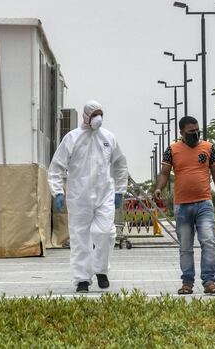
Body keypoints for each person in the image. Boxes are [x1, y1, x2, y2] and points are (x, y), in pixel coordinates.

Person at [48, 100, 128, 293]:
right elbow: (56, 166)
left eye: (100, 113)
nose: (97, 118)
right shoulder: (72, 138)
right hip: (79, 196)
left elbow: (120, 164)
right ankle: (82, 279)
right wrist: (57, 191)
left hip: (104, 195)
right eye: (94, 114)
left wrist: (120, 190)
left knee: (105, 233)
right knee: (80, 238)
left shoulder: (108, 138)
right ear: (86, 116)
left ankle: (101, 270)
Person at [154, 115, 215, 295]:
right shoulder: (172, 149)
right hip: (182, 207)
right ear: (181, 132)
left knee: (208, 242)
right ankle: (187, 283)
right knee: (185, 247)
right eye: (190, 132)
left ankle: (209, 281)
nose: (195, 134)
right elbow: (164, 173)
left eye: (197, 131)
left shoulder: (209, 148)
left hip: (204, 203)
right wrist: (158, 189)